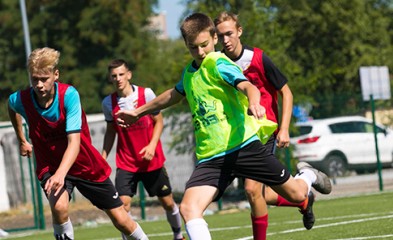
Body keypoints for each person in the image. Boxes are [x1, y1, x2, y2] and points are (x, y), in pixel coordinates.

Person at [115, 13, 331, 240]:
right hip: (212, 157)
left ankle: (307, 175)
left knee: (296, 194)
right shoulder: (189, 73)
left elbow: (248, 86)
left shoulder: (218, 63)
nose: (200, 52)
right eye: (193, 48)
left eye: (204, 45)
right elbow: (173, 95)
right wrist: (138, 112)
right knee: (189, 208)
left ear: (214, 39)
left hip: (244, 147)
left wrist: (255, 103)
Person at [7, 47, 149, 240]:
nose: (39, 85)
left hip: (83, 163)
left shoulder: (69, 96)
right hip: (50, 164)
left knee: (121, 219)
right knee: (59, 206)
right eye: (34, 79)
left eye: (44, 79)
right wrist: (22, 139)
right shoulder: (21, 99)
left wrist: (61, 174)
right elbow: (11, 106)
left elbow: (74, 142)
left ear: (56, 75)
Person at [214, 11, 321, 232]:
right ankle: (303, 199)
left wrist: (283, 129)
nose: (225, 40)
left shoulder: (258, 58)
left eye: (229, 33)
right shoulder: (217, 62)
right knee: (262, 194)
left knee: (252, 190)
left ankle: (307, 179)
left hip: (264, 133)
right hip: (238, 136)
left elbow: (287, 93)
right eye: (220, 35)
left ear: (239, 31)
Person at [101, 59, 185, 240]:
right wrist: (103, 156)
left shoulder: (145, 94)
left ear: (129, 75)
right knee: (122, 206)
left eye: (121, 74)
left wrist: (152, 145)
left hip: (151, 160)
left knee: (168, 202)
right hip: (126, 162)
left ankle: (178, 235)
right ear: (110, 78)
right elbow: (110, 132)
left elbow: (159, 121)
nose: (118, 79)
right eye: (114, 76)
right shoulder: (108, 103)